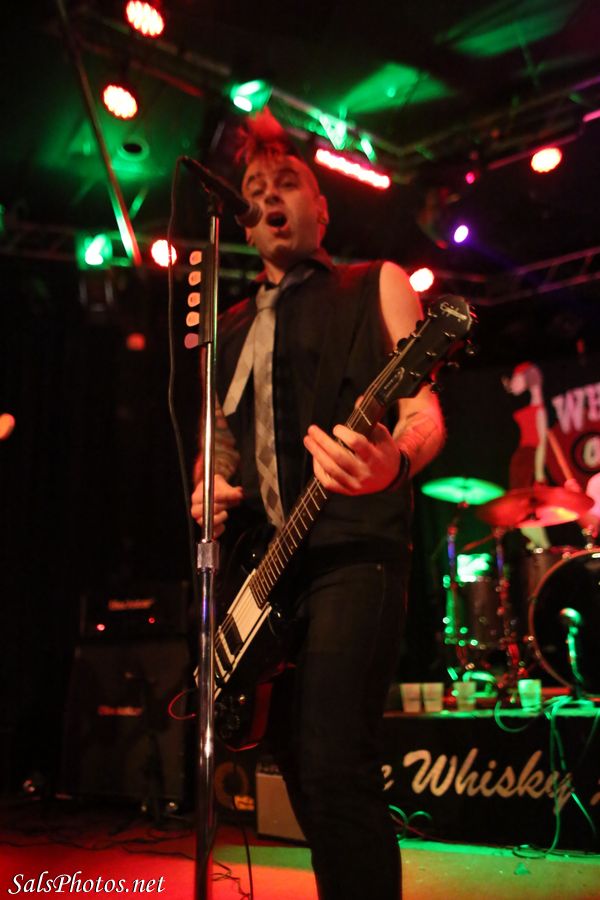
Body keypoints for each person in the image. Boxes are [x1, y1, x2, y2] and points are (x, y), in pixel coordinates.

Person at [191, 110, 445, 900]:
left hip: (354, 550)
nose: (269, 195)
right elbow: (218, 447)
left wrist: (394, 460)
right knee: (297, 762)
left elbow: (424, 413)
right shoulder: (228, 329)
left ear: (321, 209)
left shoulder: (376, 283)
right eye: (255, 187)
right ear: (242, 218)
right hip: (268, 569)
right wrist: (207, 484)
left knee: (336, 761)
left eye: (288, 183)